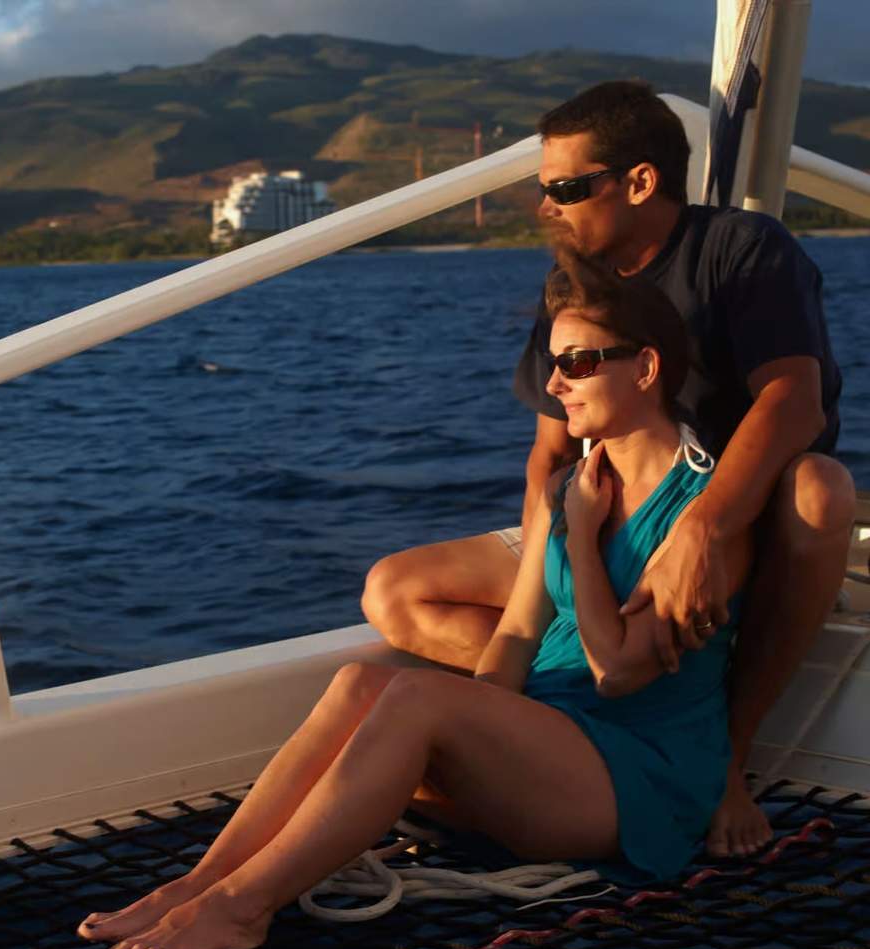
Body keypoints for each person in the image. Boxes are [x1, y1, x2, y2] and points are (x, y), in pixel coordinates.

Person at [75, 256, 753, 949]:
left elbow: (616, 670)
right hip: (552, 742)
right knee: (358, 685)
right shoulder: (576, 484)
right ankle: (198, 882)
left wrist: (581, 539)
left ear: (645, 368)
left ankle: (240, 909)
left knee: (417, 696)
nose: (553, 384)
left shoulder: (705, 521)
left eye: (576, 363)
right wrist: (480, 732)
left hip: (634, 779)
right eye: (553, 363)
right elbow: (519, 631)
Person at [361, 80, 854, 859]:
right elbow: (550, 452)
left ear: (639, 181)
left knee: (822, 492)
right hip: (610, 521)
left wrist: (702, 525)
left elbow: (793, 403)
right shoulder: (577, 288)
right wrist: (557, 563)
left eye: (563, 188)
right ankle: (572, 725)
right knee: (393, 590)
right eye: (542, 189)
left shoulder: (741, 249)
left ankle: (722, 753)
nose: (546, 207)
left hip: (726, 520)